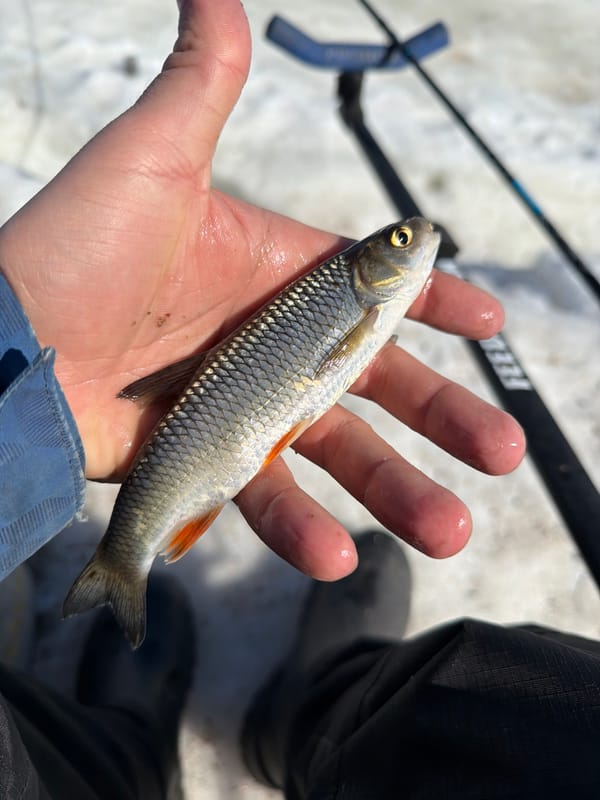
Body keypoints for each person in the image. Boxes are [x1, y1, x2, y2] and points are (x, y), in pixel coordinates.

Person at [1, 0, 559, 797]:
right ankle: (191, 709)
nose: (414, 236)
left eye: (400, 241)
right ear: (372, 273)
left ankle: (126, 735)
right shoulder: (356, 295)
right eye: (397, 242)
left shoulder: (360, 295)